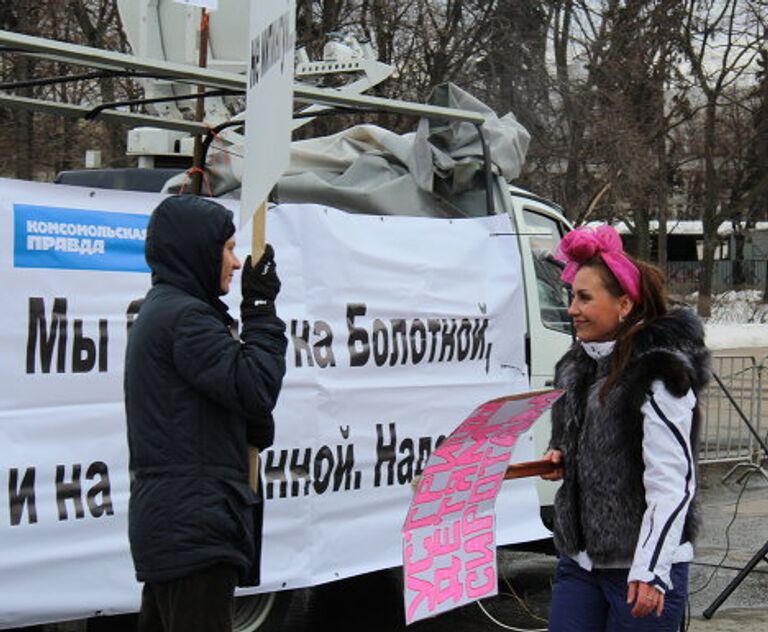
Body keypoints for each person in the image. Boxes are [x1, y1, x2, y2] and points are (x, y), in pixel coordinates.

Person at [124, 195, 287, 632]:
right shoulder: (185, 319)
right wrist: (259, 310)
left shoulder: (169, 311)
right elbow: (256, 386)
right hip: (193, 527)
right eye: (229, 249)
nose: (236, 263)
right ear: (197, 250)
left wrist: (245, 424)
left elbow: (231, 399)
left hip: (177, 525)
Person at [541, 225, 710, 631]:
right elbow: (585, 440)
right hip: (580, 562)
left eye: (584, 297)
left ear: (623, 304)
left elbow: (673, 484)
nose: (572, 309)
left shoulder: (656, 373)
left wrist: (650, 571)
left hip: (640, 570)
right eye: (571, 296)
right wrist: (561, 456)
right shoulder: (577, 367)